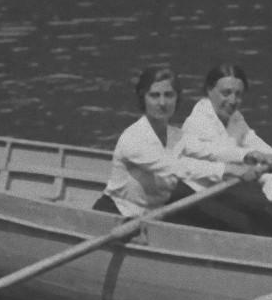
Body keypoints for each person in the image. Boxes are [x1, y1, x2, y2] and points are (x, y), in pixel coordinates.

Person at [95, 65, 263, 229]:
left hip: (155, 211)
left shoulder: (175, 135)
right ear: (143, 98)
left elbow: (209, 151)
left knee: (234, 221)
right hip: (118, 215)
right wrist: (229, 170)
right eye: (154, 95)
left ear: (177, 98)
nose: (162, 102)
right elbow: (177, 167)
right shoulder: (133, 139)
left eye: (169, 95)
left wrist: (248, 155)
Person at [181, 62, 272, 238]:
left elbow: (254, 142)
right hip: (197, 197)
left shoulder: (233, 117)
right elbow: (225, 155)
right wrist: (256, 161)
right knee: (248, 224)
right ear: (209, 90)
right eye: (226, 93)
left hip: (226, 192)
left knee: (267, 220)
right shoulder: (198, 122)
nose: (233, 101)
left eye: (238, 94)